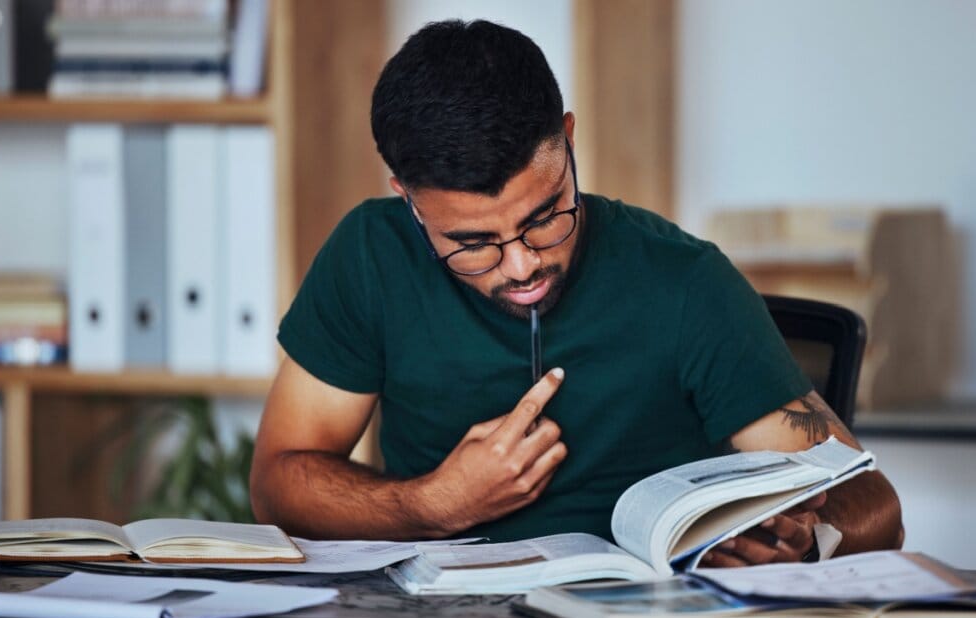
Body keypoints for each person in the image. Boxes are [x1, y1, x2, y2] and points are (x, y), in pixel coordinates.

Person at [250, 19, 903, 567]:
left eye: (543, 216)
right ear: (409, 201)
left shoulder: (682, 280)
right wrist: (431, 504)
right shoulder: (372, 254)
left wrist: (805, 542)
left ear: (567, 137)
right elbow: (277, 481)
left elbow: (872, 502)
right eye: (473, 242)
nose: (522, 264)